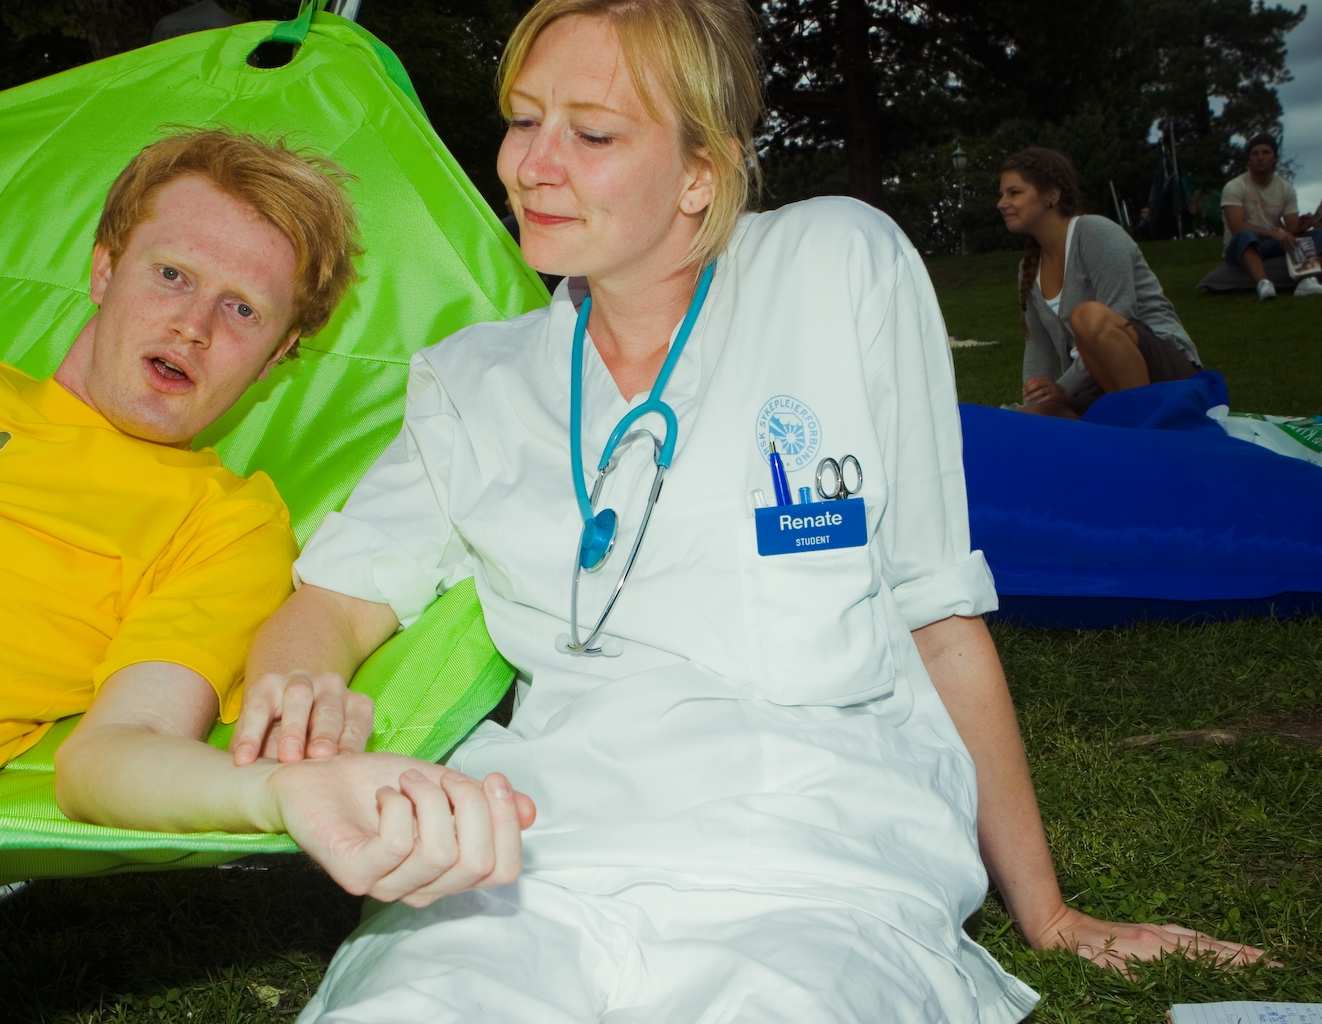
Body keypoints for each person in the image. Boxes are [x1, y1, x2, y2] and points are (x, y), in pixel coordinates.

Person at [237, 3, 1261, 1020]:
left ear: (703, 171)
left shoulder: (833, 267)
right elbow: (337, 596)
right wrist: (301, 677)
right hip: (536, 851)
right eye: (524, 119)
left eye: (593, 134)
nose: (532, 166)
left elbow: (937, 609)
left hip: (814, 851)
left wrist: (1050, 913)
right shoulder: (473, 382)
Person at [0, 129, 530, 905]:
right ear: (104, 269)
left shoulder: (221, 525)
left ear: (278, 357)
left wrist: (276, 793)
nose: (193, 326)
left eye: (242, 309)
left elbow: (113, 752)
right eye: (172, 275)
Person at [997, 147, 1202, 420]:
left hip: (1163, 371)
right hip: (1097, 385)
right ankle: (1126, 424)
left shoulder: (1094, 233)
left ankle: (1146, 427)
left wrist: (1063, 388)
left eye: (1014, 192)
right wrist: (1035, 399)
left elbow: (1119, 317)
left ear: (1051, 195)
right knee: (1025, 421)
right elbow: (1038, 347)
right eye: (1002, 194)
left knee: (1088, 316)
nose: (1001, 203)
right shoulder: (1028, 267)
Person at [1222, 133, 1322, 300]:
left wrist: (1301, 226)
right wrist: (1275, 233)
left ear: (1275, 158)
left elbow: (1291, 229)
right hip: (1241, 246)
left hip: (1273, 244)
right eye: (1255, 153)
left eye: (1266, 152)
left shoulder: (1285, 188)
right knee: (1245, 235)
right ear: (1249, 159)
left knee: (1317, 235)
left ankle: (1308, 280)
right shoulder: (1234, 187)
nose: (1260, 157)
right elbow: (1237, 226)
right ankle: (1264, 284)